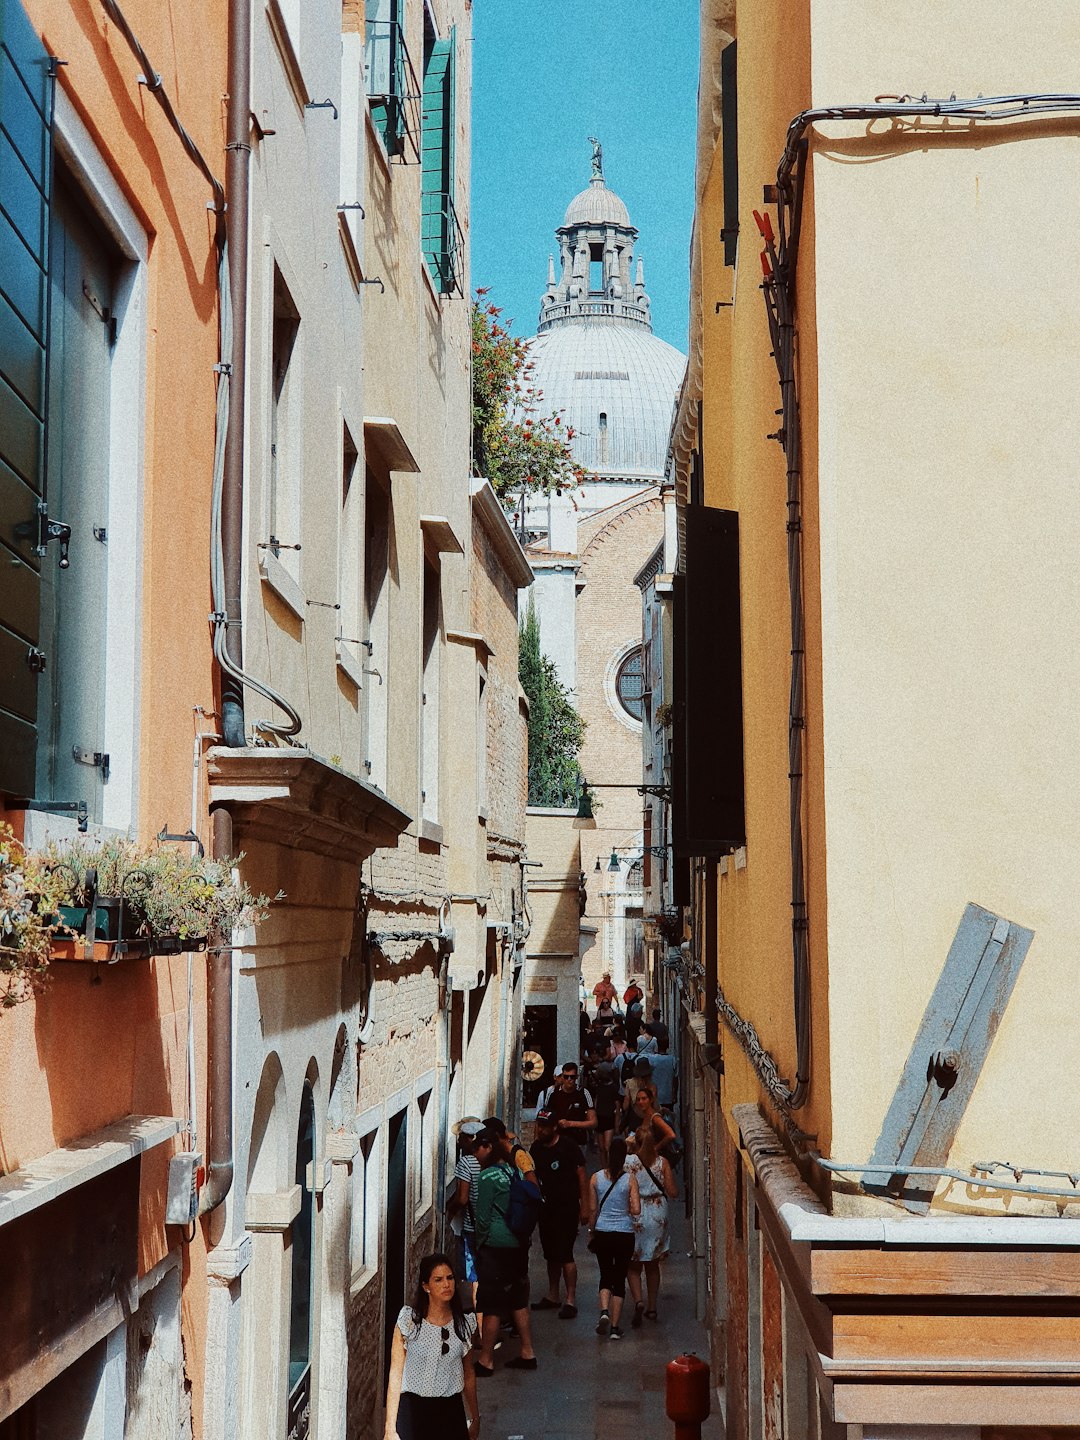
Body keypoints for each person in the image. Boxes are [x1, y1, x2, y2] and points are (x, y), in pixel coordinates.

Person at [384, 1252, 480, 1440]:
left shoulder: (464, 1325)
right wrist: (390, 1427)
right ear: (426, 1286)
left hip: (449, 1413)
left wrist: (475, 1417)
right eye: (438, 1280)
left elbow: (469, 1374)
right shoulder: (409, 1322)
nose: (446, 1284)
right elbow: (395, 1373)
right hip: (412, 1410)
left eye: (450, 1278)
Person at [472, 1129, 538, 1375]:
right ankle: (527, 1351)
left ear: (488, 1147)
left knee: (491, 1303)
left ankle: (486, 1359)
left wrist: (479, 1246)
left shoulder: (487, 1177)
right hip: (518, 1244)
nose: (475, 1154)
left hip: (496, 1247)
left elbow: (482, 1219)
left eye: (477, 1149)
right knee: (518, 1299)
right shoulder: (515, 1171)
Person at [529, 1109, 588, 1318]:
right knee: (550, 1254)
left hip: (567, 1209)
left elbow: (581, 1175)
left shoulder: (568, 1147)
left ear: (554, 1127)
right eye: (539, 1125)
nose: (540, 1129)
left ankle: (570, 1299)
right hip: (546, 1211)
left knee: (565, 1254)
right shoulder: (536, 1149)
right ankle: (553, 1294)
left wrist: (585, 1206)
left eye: (544, 1126)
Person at [587, 1136, 640, 1339]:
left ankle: (604, 1312)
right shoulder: (630, 1179)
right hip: (624, 1233)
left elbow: (593, 1210)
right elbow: (635, 1209)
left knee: (605, 1274)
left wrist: (592, 1231)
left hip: (603, 1232)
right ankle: (616, 1329)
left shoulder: (596, 1178)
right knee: (619, 1278)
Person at [626, 1126, 679, 1325]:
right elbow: (673, 1192)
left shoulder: (628, 1162)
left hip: (635, 1211)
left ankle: (638, 1300)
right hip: (658, 1212)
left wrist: (628, 1145)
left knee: (633, 1263)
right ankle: (652, 1307)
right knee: (653, 1263)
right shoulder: (662, 1162)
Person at [446, 1119, 486, 1318]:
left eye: (461, 1137)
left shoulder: (467, 1162)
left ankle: (478, 1326)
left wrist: (448, 1211)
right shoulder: (490, 1159)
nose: (459, 1141)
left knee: (474, 1277)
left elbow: (462, 1198)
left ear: (469, 1139)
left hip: (473, 1226)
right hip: (493, 1226)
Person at [536, 1062, 596, 1138]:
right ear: (562, 1077)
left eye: (572, 1077)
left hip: (577, 1138)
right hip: (557, 1139)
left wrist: (570, 1124)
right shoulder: (553, 1093)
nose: (569, 1079)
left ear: (576, 1077)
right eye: (566, 1077)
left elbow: (593, 1122)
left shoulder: (583, 1093)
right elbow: (543, 1119)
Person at [628, 1084, 676, 1156]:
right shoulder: (645, 1117)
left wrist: (655, 1148)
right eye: (638, 1099)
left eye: (644, 1099)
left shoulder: (655, 1118)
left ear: (651, 1100)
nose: (640, 1102)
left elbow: (671, 1135)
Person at [590, 1056, 620, 1168]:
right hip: (600, 1118)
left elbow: (617, 1107)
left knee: (607, 1147)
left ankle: (611, 1167)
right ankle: (604, 1168)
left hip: (609, 1118)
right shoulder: (599, 1086)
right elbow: (596, 1102)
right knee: (602, 1148)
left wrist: (617, 1124)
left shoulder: (613, 1087)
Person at [623, 978, 645, 1045]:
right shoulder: (634, 990)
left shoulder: (635, 990)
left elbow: (626, 1000)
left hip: (632, 1006)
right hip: (632, 1006)